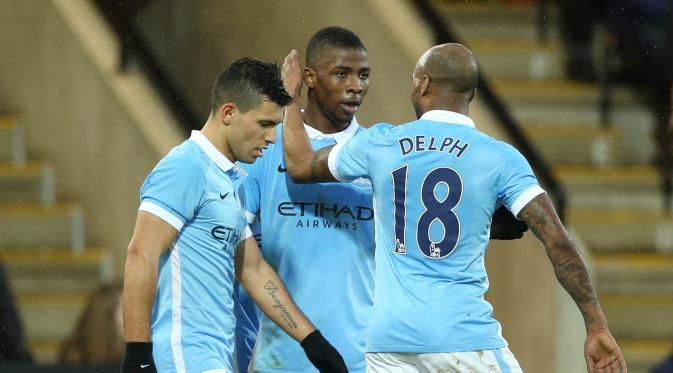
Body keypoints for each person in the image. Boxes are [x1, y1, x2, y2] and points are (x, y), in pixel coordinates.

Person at [280, 44, 627, 372]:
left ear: (424, 83)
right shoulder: (499, 158)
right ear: (471, 95)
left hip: (388, 342)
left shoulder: (380, 143)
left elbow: (300, 164)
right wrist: (595, 325)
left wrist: (292, 95)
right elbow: (557, 241)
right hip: (461, 337)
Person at [120, 57, 347, 373]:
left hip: (214, 356)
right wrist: (138, 355)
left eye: (276, 127)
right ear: (229, 113)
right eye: (265, 124)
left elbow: (253, 270)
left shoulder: (230, 180)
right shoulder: (186, 167)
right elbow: (140, 253)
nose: (271, 138)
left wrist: (312, 341)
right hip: (184, 354)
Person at [232, 26, 375, 373]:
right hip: (280, 360)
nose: (355, 86)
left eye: (363, 75)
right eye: (342, 74)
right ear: (309, 77)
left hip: (360, 361)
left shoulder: (377, 155)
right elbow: (230, 246)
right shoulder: (265, 149)